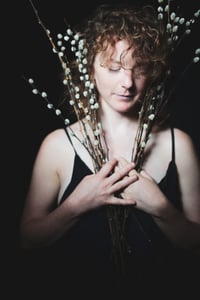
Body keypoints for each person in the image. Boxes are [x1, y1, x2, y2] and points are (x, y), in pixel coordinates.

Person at [19, 2, 200, 299]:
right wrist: (78, 203)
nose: (127, 83)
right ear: (90, 67)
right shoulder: (58, 145)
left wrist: (161, 208)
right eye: (114, 68)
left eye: (139, 69)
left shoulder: (178, 144)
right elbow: (27, 240)